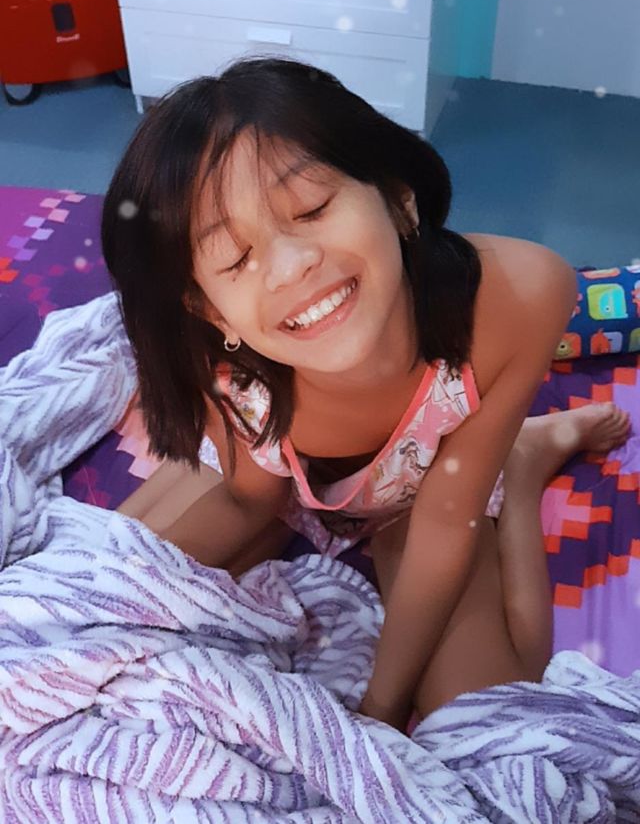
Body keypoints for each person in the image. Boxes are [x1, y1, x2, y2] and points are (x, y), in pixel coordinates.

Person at [103, 56, 631, 733]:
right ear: (209, 309)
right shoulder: (227, 371)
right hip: (294, 485)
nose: (291, 266)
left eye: (313, 209)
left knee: (497, 714)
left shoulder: (520, 294)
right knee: (122, 592)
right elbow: (249, 497)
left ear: (398, 199)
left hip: (435, 491)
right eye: (235, 258)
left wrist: (378, 708)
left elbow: (445, 522)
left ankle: (523, 463)